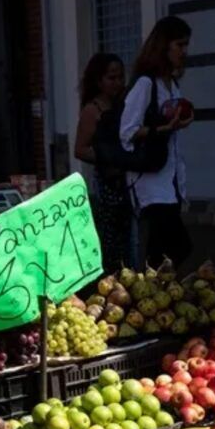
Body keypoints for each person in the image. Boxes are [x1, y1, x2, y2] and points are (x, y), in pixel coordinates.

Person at [120, 16, 195, 270]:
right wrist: (164, 128)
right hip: (150, 179)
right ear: (164, 46)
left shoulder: (172, 85)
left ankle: (155, 296)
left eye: (186, 45)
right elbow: (127, 130)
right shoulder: (145, 84)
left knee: (160, 250)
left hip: (169, 177)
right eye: (179, 45)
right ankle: (153, 295)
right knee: (177, 246)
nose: (184, 52)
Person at [75, 53, 133, 272]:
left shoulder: (125, 105)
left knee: (129, 241)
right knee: (110, 243)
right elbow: (80, 149)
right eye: (111, 78)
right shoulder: (92, 110)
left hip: (128, 183)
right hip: (108, 185)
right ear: (99, 81)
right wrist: (108, 155)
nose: (117, 83)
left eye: (120, 77)